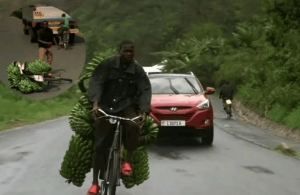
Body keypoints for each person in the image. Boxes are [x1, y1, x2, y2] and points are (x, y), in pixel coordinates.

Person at [87, 40, 152, 195]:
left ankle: (127, 161)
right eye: (125, 51)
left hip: (126, 107)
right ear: (120, 51)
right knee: (100, 144)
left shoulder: (137, 70)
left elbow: (145, 90)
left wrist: (143, 111)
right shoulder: (107, 65)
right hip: (107, 106)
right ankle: (95, 183)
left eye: (131, 51)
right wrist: (95, 104)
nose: (128, 54)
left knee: (133, 126)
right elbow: (97, 82)